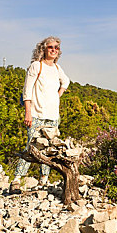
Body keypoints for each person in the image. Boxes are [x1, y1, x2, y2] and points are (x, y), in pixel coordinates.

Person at [9, 36, 70, 194]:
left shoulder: (57, 69)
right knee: (31, 147)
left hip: (53, 116)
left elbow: (66, 82)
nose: (54, 50)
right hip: (36, 114)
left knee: (49, 149)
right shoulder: (37, 66)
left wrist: (58, 95)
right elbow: (27, 90)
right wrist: (27, 112)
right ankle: (16, 180)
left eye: (56, 48)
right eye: (50, 47)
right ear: (43, 49)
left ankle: (44, 180)